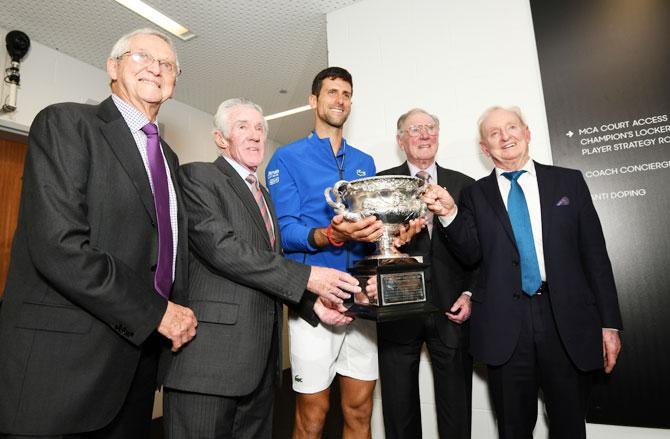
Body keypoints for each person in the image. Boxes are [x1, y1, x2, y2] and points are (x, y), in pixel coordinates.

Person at [0, 28, 198, 438]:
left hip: (139, 364)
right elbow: (59, 247)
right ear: (113, 66)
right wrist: (157, 311)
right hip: (63, 373)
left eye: (167, 65)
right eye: (142, 57)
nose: (156, 69)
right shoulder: (66, 122)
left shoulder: (169, 157)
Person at [161, 98, 360, 438]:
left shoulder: (264, 196)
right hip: (209, 366)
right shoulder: (198, 176)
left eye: (260, 129)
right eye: (242, 127)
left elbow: (268, 268)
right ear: (220, 138)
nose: (255, 136)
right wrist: (310, 277)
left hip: (260, 370)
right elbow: (223, 250)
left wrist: (311, 307)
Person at [423, 106, 623, 439]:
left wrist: (609, 323)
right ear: (485, 149)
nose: (505, 137)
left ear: (527, 133)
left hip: (567, 324)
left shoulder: (568, 182)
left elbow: (595, 257)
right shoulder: (474, 195)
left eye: (511, 127)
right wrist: (449, 214)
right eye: (494, 133)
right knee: (513, 428)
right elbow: (471, 254)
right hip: (505, 328)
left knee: (570, 425)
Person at [266, 67, 383, 439]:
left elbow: (371, 230)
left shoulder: (365, 162)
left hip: (360, 302)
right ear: (313, 101)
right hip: (316, 300)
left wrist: (390, 236)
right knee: (313, 415)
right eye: (332, 92)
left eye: (346, 94)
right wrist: (329, 234)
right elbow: (284, 232)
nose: (340, 100)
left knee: (360, 410)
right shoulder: (287, 158)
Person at [376, 108, 477, 438]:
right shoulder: (380, 185)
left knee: (457, 407)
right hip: (398, 306)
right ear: (400, 140)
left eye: (430, 128)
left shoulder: (465, 185)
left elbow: (482, 250)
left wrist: (470, 292)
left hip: (452, 308)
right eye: (415, 129)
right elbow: (368, 244)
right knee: (398, 407)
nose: (424, 134)